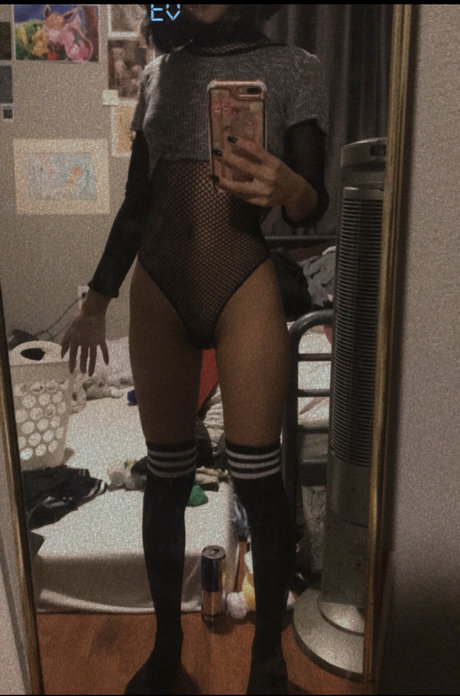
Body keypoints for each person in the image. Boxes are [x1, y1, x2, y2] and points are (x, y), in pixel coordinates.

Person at [61, 5, 329, 694]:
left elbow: (314, 204)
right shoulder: (157, 77)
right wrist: (95, 302)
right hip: (159, 287)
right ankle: (165, 654)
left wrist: (291, 188)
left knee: (259, 480)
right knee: (166, 476)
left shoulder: (294, 68)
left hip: (243, 279)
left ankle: (267, 665)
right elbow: (136, 203)